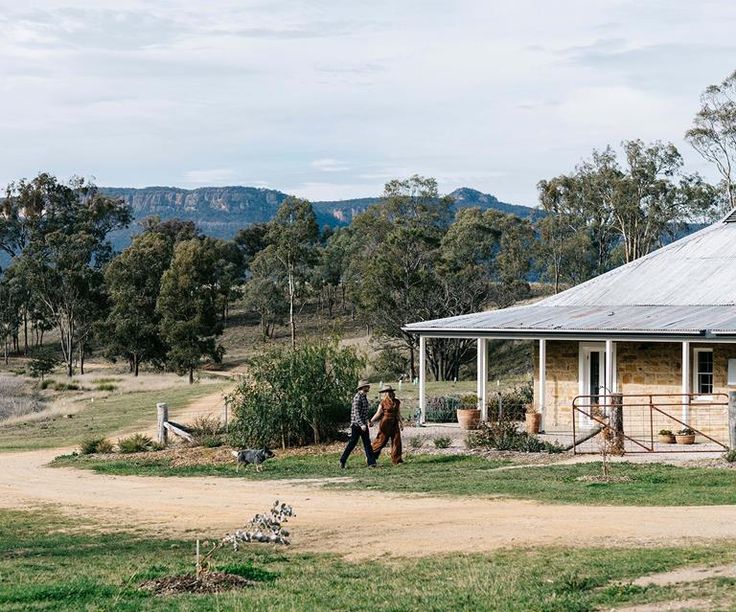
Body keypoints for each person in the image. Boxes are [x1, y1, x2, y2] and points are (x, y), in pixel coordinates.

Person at [339, 379, 376, 469]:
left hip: (363, 424)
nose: (369, 387)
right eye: (367, 386)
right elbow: (356, 413)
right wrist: (361, 425)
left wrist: (368, 421)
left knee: (367, 443)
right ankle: (342, 460)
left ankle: (371, 463)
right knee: (352, 444)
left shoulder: (364, 397)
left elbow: (364, 412)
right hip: (356, 425)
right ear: (362, 387)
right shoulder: (357, 397)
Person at [369, 384, 403, 465]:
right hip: (385, 422)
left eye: (390, 392)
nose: (388, 393)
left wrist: (401, 423)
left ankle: (397, 460)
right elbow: (378, 413)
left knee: (396, 440)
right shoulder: (383, 402)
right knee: (381, 440)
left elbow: (398, 413)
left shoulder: (397, 402)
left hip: (394, 422)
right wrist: (371, 421)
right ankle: (370, 456)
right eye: (386, 392)